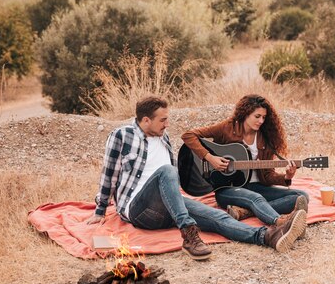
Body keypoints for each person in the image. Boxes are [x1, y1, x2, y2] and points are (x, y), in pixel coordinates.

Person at [86, 95, 306, 261]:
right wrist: (100, 210)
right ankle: (189, 234)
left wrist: (285, 177)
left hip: (170, 206)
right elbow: (109, 175)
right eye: (162, 120)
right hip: (139, 209)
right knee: (167, 170)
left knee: (219, 218)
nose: (167, 124)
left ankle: (269, 236)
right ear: (145, 120)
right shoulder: (122, 136)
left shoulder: (163, 140)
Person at [181, 94, 310, 228]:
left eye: (264, 117)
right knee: (255, 198)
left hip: (257, 186)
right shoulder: (227, 128)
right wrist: (210, 158)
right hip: (227, 189)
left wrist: (287, 176)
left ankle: (245, 212)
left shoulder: (265, 139)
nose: (261, 121)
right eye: (257, 116)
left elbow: (267, 176)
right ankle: (279, 222)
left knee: (301, 196)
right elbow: (188, 135)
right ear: (245, 113)